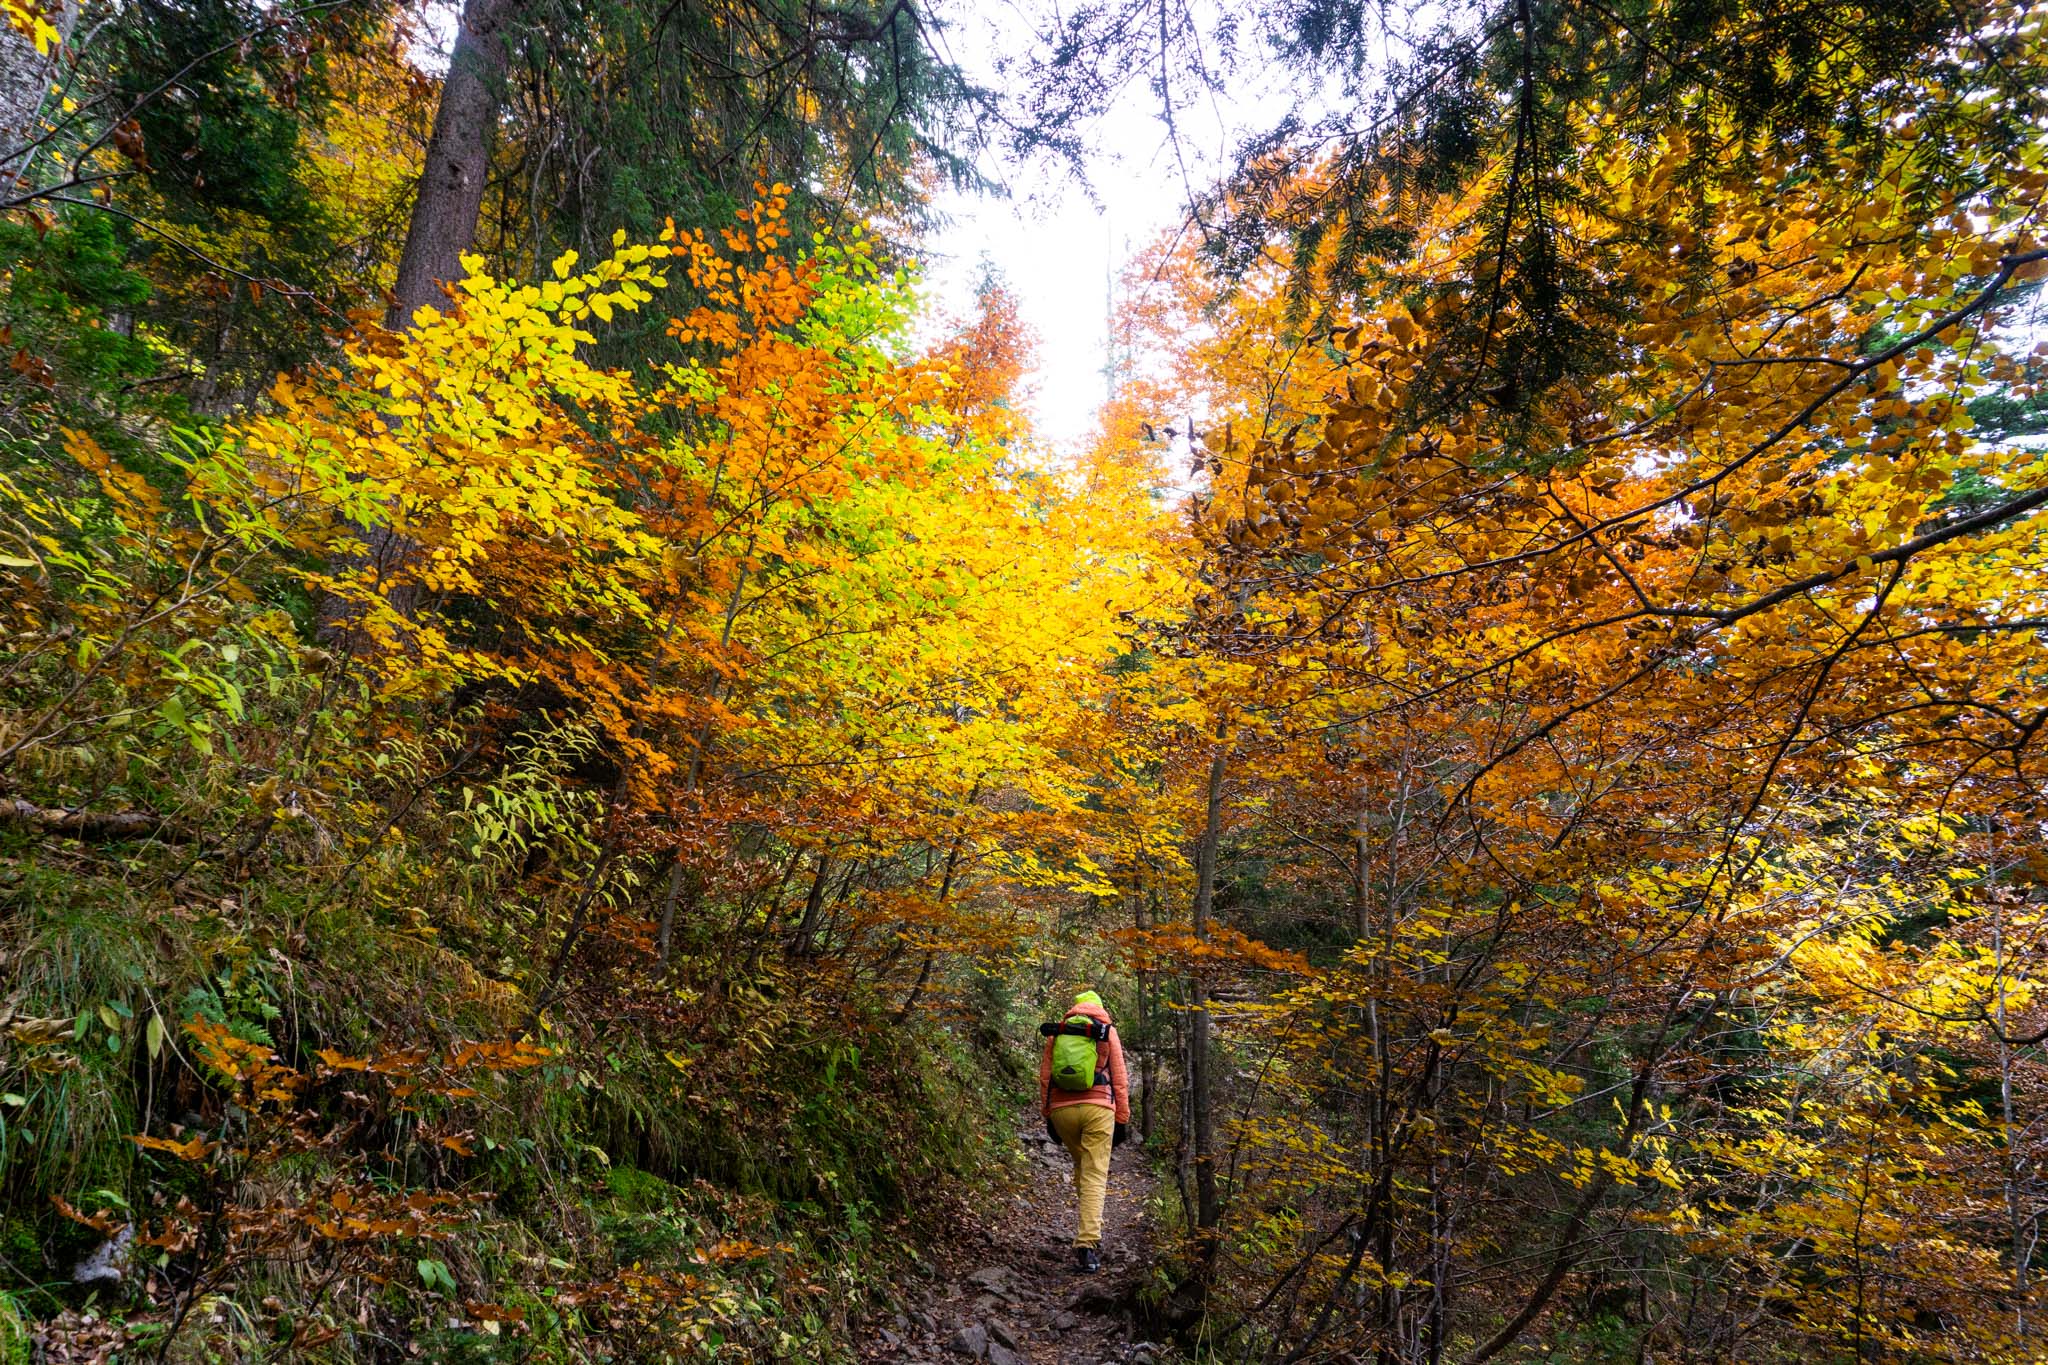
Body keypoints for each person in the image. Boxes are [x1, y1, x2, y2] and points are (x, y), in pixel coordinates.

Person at [1039, 987, 1130, 1272]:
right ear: (1100, 1008)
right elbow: (1120, 1079)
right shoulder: (1106, 1031)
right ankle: (1087, 1244)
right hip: (1098, 1109)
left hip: (1062, 1111)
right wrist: (1123, 1119)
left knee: (1083, 1166)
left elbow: (1045, 1077)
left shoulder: (1059, 1030)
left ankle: (1089, 1220)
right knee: (1094, 1174)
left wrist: (1048, 1115)